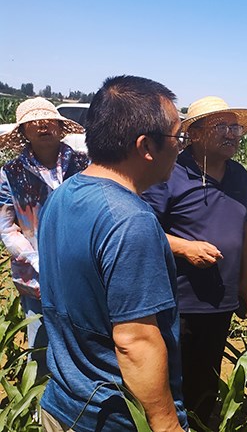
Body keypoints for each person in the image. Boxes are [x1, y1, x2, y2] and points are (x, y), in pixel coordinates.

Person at [37, 75, 189, 431]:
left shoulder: (64, 193)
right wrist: (167, 425)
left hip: (62, 404)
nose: (181, 147)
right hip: (111, 418)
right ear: (146, 146)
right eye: (177, 137)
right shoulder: (131, 220)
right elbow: (135, 341)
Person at [141, 95, 247, 427]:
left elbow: (245, 232)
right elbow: (144, 229)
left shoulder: (240, 176)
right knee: (169, 377)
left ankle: (202, 422)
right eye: (221, 127)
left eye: (235, 127)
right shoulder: (170, 172)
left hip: (221, 300)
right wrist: (185, 248)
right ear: (194, 134)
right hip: (177, 299)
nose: (232, 134)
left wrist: (243, 284)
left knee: (207, 374)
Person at [0, 98, 89, 380]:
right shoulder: (10, 173)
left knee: (84, 338)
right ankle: (41, 403)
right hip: (35, 274)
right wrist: (37, 260)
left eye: (48, 119)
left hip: (82, 269)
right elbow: (6, 226)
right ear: (23, 131)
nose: (42, 124)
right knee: (40, 338)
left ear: (61, 127)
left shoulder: (83, 163)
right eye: (33, 121)